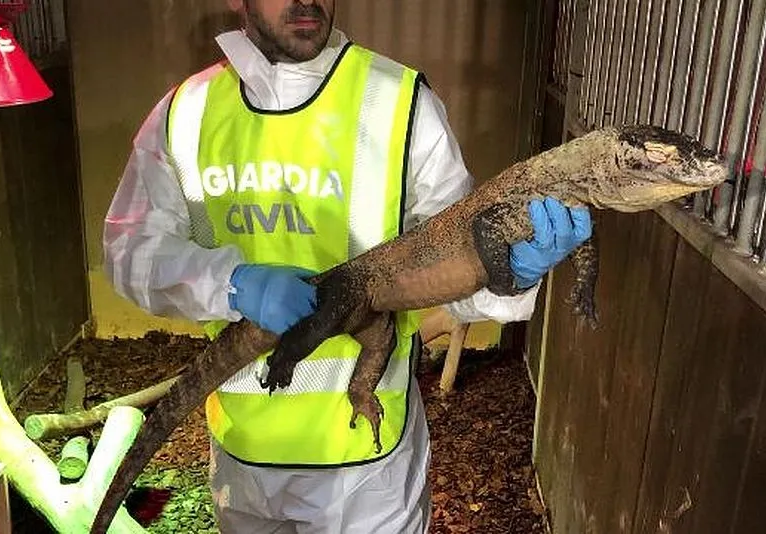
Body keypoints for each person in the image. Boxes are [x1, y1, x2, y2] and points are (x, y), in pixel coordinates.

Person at [102, 0, 592, 532]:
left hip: (367, 471)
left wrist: (512, 272)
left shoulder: (400, 101)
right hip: (241, 455)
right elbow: (130, 252)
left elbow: (446, 265)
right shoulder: (185, 114)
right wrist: (233, 283)